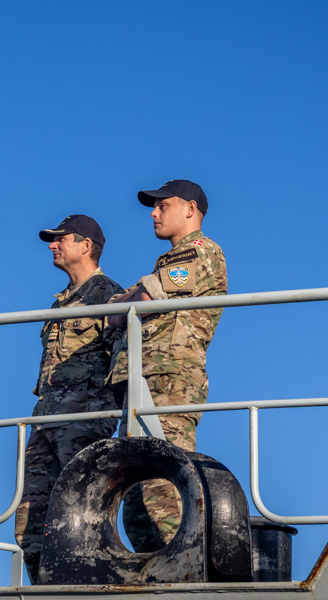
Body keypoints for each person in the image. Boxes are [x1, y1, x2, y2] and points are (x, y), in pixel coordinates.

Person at [107, 179, 228, 552]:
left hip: (170, 382)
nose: (153, 212)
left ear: (190, 209)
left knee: (164, 489)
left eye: (163, 205)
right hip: (145, 382)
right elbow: (114, 309)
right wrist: (131, 297)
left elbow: (146, 297)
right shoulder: (167, 261)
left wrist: (133, 295)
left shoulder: (199, 251)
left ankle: (182, 573)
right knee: (139, 499)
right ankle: (158, 573)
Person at [14, 214, 124, 583]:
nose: (52, 245)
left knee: (83, 518)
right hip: (45, 423)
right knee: (31, 524)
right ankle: (47, 591)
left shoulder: (108, 295)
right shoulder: (60, 304)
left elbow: (123, 363)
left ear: (86, 246)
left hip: (84, 424)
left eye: (60, 239)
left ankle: (89, 588)